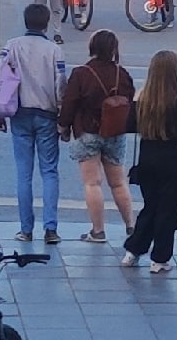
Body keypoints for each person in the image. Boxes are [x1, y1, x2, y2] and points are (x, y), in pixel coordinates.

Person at [58, 28, 138, 244]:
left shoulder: (82, 73)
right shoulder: (122, 73)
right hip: (115, 131)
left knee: (92, 183)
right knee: (118, 183)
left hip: (88, 131)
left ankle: (98, 231)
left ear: (92, 47)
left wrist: (63, 126)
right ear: (114, 49)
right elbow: (130, 100)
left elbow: (69, 103)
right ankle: (131, 226)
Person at [0, 3, 65, 244]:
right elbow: (61, 84)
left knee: (24, 173)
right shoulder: (54, 50)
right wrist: (62, 116)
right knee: (49, 172)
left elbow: (0, 79)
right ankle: (50, 228)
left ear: (25, 21)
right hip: (47, 115)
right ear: (46, 24)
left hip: (20, 113)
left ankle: (26, 229)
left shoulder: (12, 46)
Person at [122, 49, 177, 271]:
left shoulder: (143, 97)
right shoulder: (175, 100)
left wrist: (135, 102)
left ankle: (133, 250)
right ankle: (160, 258)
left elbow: (130, 125)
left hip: (147, 156)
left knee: (150, 206)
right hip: (170, 158)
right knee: (168, 209)